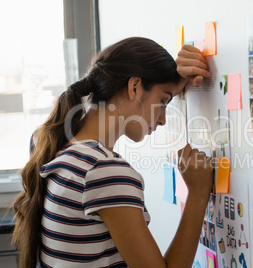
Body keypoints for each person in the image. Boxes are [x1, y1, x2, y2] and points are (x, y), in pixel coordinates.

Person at [12, 37, 214, 268]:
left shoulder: (47, 142)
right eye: (163, 102)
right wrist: (198, 194)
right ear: (134, 87)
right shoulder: (104, 171)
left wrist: (172, 84)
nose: (163, 120)